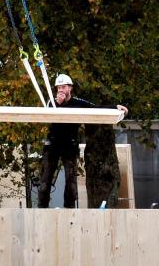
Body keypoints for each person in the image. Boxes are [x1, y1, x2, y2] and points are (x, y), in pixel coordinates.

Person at [37, 73, 127, 208]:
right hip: (53, 145)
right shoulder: (51, 102)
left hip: (69, 145)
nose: (60, 90)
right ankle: (42, 209)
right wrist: (58, 104)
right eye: (58, 88)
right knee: (45, 181)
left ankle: (69, 209)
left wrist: (115, 107)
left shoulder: (78, 103)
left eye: (63, 87)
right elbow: (49, 111)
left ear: (70, 88)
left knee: (71, 181)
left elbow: (96, 108)